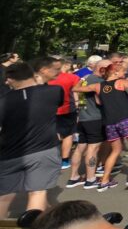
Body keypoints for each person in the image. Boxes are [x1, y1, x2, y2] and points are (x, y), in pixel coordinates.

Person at [0, 61, 64, 217]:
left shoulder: (3, 101)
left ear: (10, 78)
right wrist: (38, 82)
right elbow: (59, 102)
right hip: (44, 150)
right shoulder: (54, 91)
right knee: (37, 193)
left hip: (10, 153)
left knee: (4, 196)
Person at [77, 59, 128, 191]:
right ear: (115, 72)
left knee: (115, 151)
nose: (125, 73)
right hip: (126, 119)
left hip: (110, 123)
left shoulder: (98, 86)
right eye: (122, 71)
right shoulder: (122, 82)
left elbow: (76, 88)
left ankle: (104, 180)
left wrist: (84, 79)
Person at [66, 58, 106, 190]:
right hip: (95, 117)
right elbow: (100, 101)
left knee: (80, 147)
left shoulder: (84, 78)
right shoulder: (98, 81)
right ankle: (90, 179)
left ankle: (73, 177)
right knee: (92, 148)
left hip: (83, 116)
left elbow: (75, 91)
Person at [45, 58, 80, 170]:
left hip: (49, 109)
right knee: (68, 135)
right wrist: (77, 104)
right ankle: (64, 160)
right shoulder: (73, 77)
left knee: (53, 133)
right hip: (67, 108)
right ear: (66, 66)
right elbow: (75, 92)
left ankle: (51, 158)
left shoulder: (47, 78)